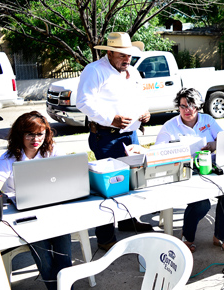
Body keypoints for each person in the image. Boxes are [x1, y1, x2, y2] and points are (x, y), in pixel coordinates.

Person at [76, 32, 153, 251]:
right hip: (106, 136)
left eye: (129, 55)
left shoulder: (132, 71)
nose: (127, 59)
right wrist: (111, 119)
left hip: (130, 134)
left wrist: (145, 112)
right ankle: (105, 237)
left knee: (131, 182)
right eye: (121, 55)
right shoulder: (94, 70)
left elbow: (139, 97)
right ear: (109, 52)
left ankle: (128, 221)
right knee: (109, 186)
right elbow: (83, 102)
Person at [151, 88, 224, 253]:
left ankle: (221, 237)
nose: (188, 110)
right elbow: (158, 152)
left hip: (210, 167)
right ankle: (187, 237)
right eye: (183, 106)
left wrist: (214, 144)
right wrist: (177, 151)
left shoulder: (207, 119)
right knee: (201, 203)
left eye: (192, 106)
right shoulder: (170, 126)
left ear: (198, 106)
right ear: (178, 107)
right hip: (186, 170)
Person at [0, 111, 71, 290]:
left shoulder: (53, 151)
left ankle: (65, 286)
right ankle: (54, 287)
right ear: (20, 135)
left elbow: (68, 175)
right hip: (25, 213)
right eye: (30, 134)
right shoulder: (9, 157)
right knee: (43, 253)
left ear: (46, 134)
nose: (36, 139)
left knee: (63, 249)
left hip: (53, 207)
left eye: (40, 134)